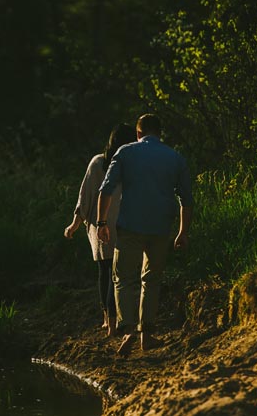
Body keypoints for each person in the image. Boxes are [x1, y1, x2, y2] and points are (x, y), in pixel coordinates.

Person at [97, 113, 193, 355]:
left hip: (130, 226)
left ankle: (128, 329)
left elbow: (106, 190)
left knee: (123, 278)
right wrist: (182, 232)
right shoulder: (175, 157)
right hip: (161, 228)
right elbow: (186, 200)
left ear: (138, 133)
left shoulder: (125, 153)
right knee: (151, 280)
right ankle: (146, 335)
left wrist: (101, 223)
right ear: (160, 133)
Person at [64, 123, 138, 337]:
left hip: (101, 224)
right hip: (123, 224)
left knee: (105, 272)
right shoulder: (131, 163)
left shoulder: (98, 163)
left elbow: (85, 197)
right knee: (119, 275)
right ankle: (115, 322)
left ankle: (108, 321)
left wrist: (74, 225)